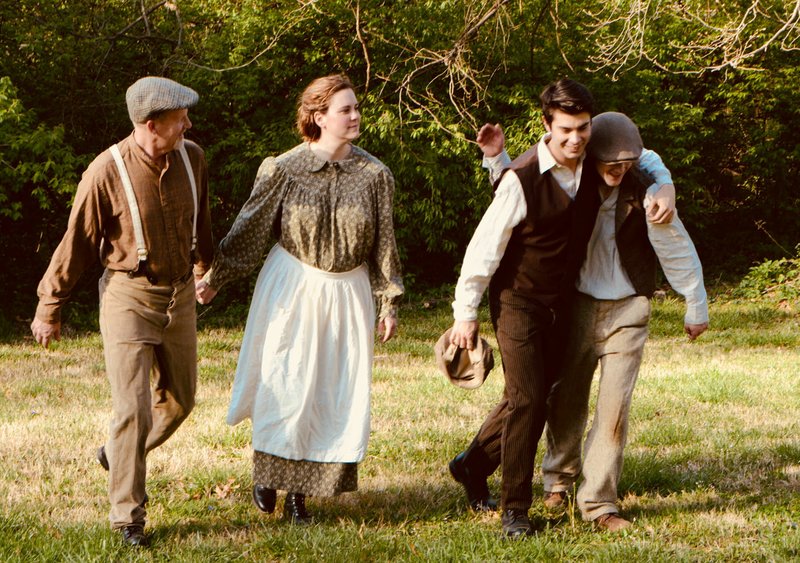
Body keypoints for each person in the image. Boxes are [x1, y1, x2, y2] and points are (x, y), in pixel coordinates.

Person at [446, 78, 675, 539]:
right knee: (529, 398)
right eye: (566, 130)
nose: (576, 139)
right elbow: (484, 250)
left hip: (565, 301)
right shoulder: (522, 178)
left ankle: (471, 465)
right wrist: (464, 313)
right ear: (547, 125)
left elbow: (642, 155)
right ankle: (515, 510)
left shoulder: (594, 161)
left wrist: (665, 183)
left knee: (529, 397)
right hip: (519, 300)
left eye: (584, 129)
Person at [195, 74, 403, 525]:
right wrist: (215, 278)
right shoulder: (283, 169)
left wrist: (388, 299)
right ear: (317, 117)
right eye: (344, 109)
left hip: (347, 293)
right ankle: (269, 474)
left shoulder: (375, 175)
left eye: (355, 108)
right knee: (287, 387)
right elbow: (249, 229)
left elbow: (385, 243)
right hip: (293, 287)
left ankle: (298, 497)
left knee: (329, 395)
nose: (355, 116)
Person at [31, 76, 213, 547]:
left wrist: (204, 269)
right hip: (127, 296)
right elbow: (75, 245)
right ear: (151, 124)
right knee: (132, 406)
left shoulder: (192, 158)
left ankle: (117, 453)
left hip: (178, 295)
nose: (188, 124)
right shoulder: (105, 172)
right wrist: (48, 307)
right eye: (180, 119)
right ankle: (128, 517)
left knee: (180, 402)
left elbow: (203, 221)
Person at [538, 112, 708, 531]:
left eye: (627, 162)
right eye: (611, 162)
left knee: (614, 409)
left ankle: (600, 505)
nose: (619, 169)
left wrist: (695, 304)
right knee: (566, 399)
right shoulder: (568, 184)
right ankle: (557, 480)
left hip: (628, 309)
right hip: (576, 305)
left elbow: (675, 247)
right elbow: (522, 183)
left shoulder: (646, 193)